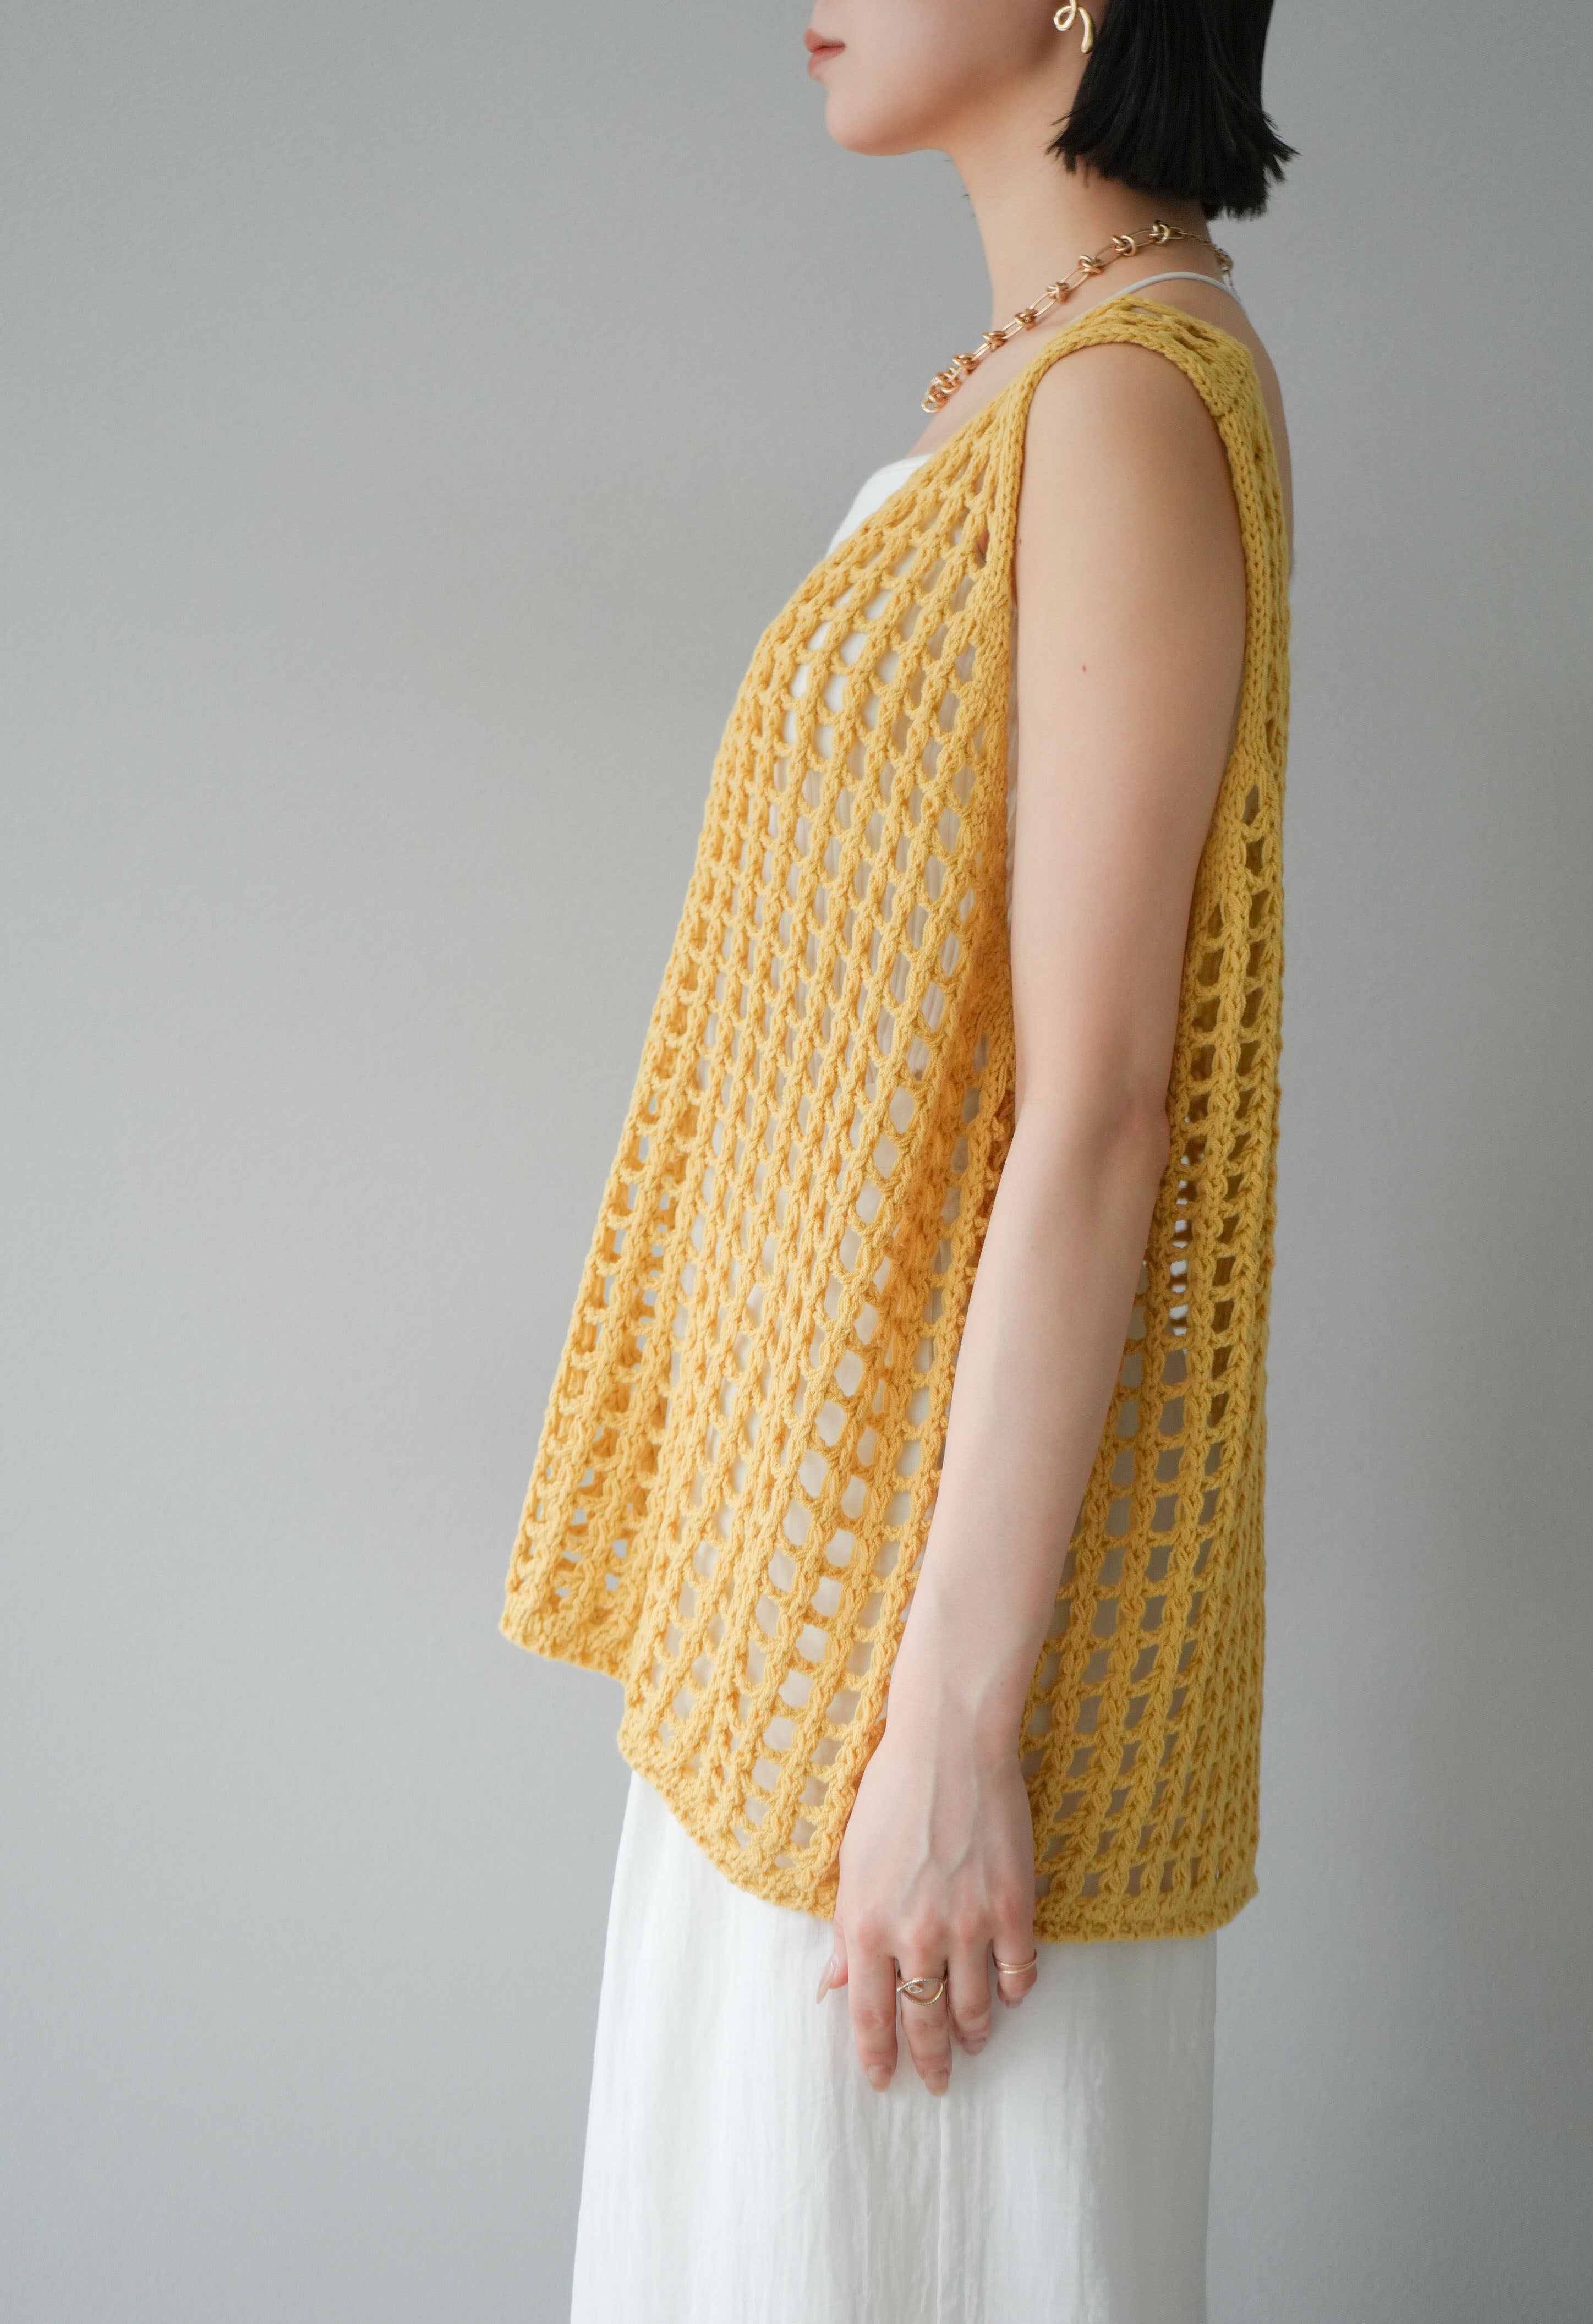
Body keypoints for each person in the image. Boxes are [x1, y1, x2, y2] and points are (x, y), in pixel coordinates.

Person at [500, 4, 1294, 2317]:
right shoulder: (1046, 387)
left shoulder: (1128, 402)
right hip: (816, 1630)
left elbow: (1102, 1104)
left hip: (918, 1707)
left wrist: (951, 1742)